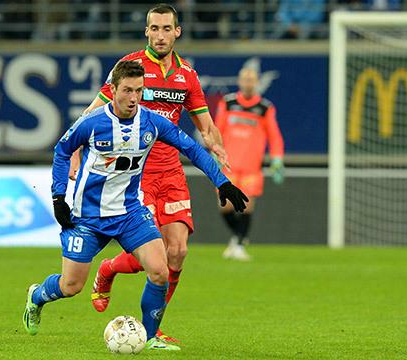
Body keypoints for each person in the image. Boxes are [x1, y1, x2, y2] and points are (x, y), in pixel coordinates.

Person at [22, 60, 248, 351]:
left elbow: (191, 148)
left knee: (160, 270)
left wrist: (222, 181)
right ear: (113, 90)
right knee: (71, 286)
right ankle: (37, 296)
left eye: (139, 91)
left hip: (130, 213)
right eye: (127, 90)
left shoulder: (151, 122)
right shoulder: (92, 123)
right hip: (89, 217)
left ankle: (151, 337)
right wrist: (58, 196)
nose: (133, 98)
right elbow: (62, 150)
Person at [70, 3, 230, 343]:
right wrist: (74, 148)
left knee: (178, 253)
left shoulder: (187, 75)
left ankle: (152, 332)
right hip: (136, 174)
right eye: (154, 28)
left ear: (177, 31)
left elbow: (205, 123)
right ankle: (108, 269)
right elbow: (93, 111)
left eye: (166, 28)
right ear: (146, 31)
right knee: (151, 254)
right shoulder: (130, 68)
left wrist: (218, 152)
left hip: (172, 172)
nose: (160, 35)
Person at [216, 68, 285, 261]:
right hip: (228, 165)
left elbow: (274, 136)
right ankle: (239, 238)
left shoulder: (265, 108)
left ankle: (238, 244)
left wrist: (277, 158)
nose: (248, 83)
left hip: (251, 167)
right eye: (245, 79)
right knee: (226, 207)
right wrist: (214, 151)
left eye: (251, 80)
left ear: (257, 82)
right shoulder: (228, 103)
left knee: (246, 206)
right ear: (239, 81)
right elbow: (217, 128)